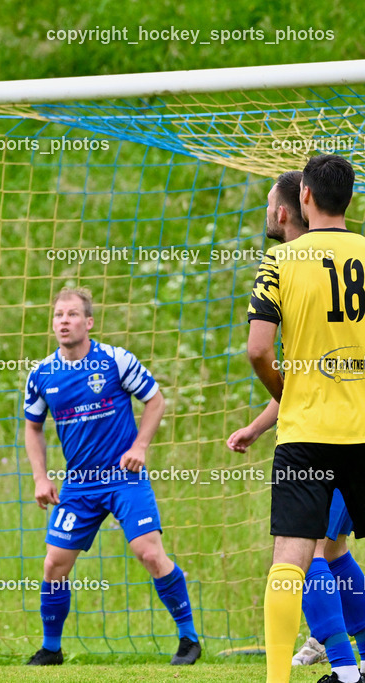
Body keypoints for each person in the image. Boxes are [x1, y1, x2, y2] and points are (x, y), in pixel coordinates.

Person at [227, 171, 365, 680]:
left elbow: (259, 350)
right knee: (337, 551)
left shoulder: (280, 260)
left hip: (307, 433)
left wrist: (288, 394)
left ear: (303, 196)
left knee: (291, 559)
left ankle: (279, 679)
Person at [24, 287, 200, 666]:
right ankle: (51, 650)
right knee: (54, 564)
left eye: (72, 315)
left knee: (149, 553)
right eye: (58, 315)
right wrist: (41, 477)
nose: (64, 321)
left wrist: (139, 447)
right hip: (79, 485)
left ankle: (189, 639)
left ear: (88, 322)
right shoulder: (42, 374)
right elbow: (32, 427)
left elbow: (155, 400)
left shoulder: (115, 361)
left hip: (124, 478)